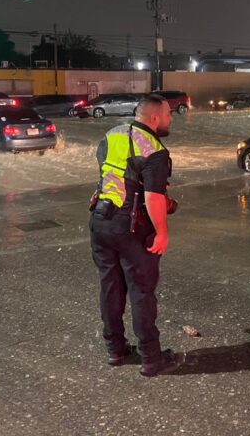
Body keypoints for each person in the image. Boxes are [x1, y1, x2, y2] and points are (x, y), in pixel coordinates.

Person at [89, 94, 179, 377]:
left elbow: (109, 174)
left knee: (111, 287)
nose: (170, 118)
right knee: (141, 292)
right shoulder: (153, 149)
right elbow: (153, 197)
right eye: (168, 114)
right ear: (154, 117)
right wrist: (162, 233)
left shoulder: (111, 134)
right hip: (131, 230)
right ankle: (151, 357)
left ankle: (114, 349)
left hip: (100, 222)